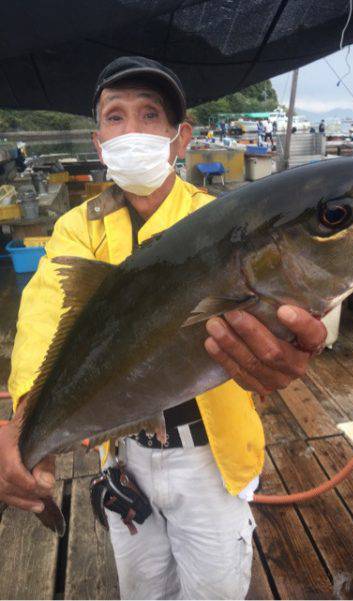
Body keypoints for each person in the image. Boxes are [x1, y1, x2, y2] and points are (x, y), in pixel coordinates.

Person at [1, 56, 326, 600]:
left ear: (181, 139)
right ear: (99, 141)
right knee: (142, 590)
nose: (132, 130)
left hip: (211, 457)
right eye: (115, 117)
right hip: (123, 452)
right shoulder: (76, 228)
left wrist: (294, 344)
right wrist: (24, 417)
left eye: (150, 115)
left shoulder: (220, 220)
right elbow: (45, 315)